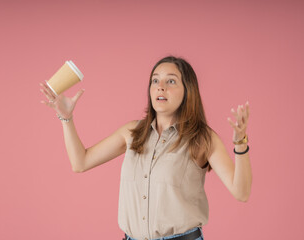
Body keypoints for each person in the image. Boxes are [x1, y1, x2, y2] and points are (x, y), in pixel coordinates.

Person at [39, 56, 252, 240]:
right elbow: (80, 162)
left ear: (188, 91)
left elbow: (241, 192)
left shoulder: (202, 138)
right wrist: (66, 118)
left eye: (171, 81)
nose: (161, 87)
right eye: (155, 80)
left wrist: (239, 142)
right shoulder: (132, 132)